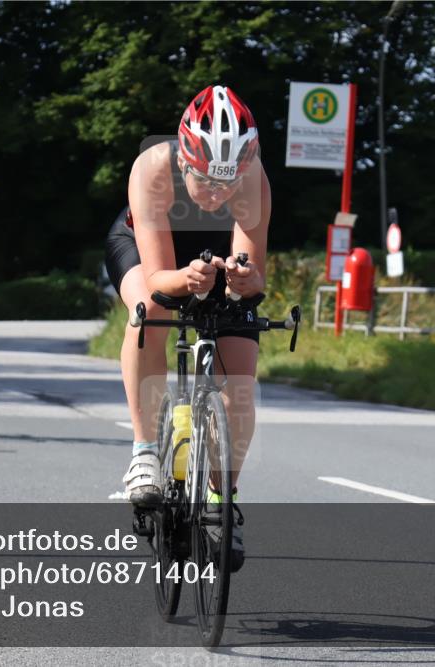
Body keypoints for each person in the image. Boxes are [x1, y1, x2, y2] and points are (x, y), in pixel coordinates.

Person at [105, 85, 269, 570]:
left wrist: (242, 278)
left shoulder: (253, 177)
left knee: (240, 375)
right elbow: (159, 278)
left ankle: (224, 500)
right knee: (149, 315)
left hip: (214, 254)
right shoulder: (154, 166)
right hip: (146, 247)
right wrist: (187, 279)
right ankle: (145, 451)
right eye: (206, 181)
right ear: (185, 159)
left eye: (229, 183)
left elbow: (255, 275)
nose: (218, 193)